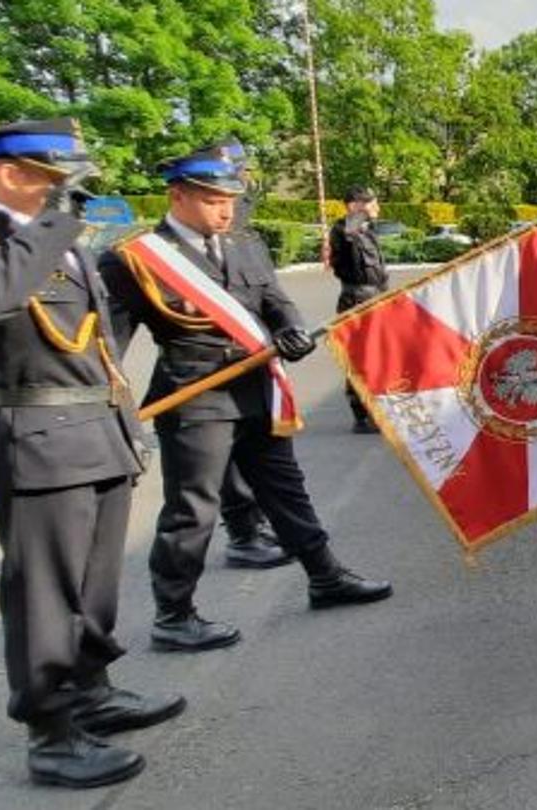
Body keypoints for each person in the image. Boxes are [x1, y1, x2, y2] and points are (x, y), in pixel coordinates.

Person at [0, 118, 184, 788]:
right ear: (12, 173)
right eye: (56, 177)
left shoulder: (57, 241)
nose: (68, 192)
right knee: (45, 596)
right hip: (37, 438)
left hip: (98, 432)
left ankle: (91, 694)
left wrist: (125, 423)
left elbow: (95, 343)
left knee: (94, 589)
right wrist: (54, 221)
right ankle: (51, 731)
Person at [98, 144, 392, 654]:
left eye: (231, 198)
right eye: (213, 199)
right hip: (195, 398)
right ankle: (174, 614)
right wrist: (108, 411)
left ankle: (325, 576)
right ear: (179, 196)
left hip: (258, 390)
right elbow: (110, 346)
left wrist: (292, 331)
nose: (226, 209)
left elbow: (275, 303)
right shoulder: (138, 258)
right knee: (193, 510)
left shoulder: (244, 243)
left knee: (286, 489)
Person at [213, 138, 288, 569]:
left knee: (264, 457)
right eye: (237, 176)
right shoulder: (188, 241)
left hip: (255, 361)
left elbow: (269, 291)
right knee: (224, 464)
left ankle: (264, 526)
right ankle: (243, 532)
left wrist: (288, 325)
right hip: (215, 371)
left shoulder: (244, 236)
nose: (244, 183)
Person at [327, 186, 388, 434]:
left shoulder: (365, 231)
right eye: (371, 204)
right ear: (355, 206)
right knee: (360, 358)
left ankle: (375, 409)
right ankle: (362, 415)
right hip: (357, 299)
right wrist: (357, 215)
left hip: (376, 296)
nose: (377, 209)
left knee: (378, 357)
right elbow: (348, 233)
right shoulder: (346, 230)